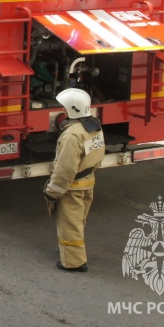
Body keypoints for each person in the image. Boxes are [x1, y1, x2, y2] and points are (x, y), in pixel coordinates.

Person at [43, 88, 105, 273]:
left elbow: (65, 169)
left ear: (71, 109)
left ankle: (73, 262)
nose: (62, 111)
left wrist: (52, 192)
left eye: (64, 108)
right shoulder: (94, 127)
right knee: (78, 222)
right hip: (88, 181)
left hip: (72, 187)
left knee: (69, 225)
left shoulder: (71, 135)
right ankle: (75, 254)